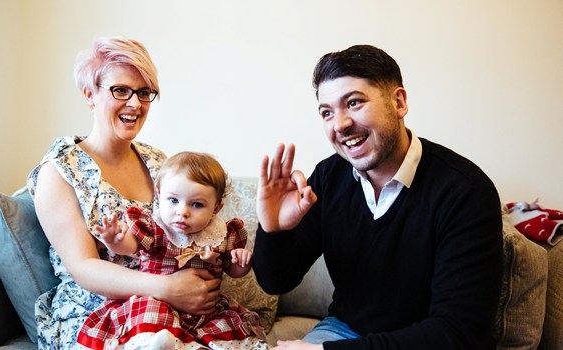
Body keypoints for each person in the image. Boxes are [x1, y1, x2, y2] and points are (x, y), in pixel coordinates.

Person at [252, 45, 503, 349]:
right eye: (327, 113)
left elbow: (457, 333)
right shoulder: (329, 177)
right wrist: (274, 230)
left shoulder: (465, 191)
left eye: (354, 103)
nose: (340, 124)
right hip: (345, 329)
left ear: (398, 102)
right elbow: (277, 281)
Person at [28, 37, 221, 349]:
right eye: (121, 90)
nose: (135, 104)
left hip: (166, 307)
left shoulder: (158, 161)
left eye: (144, 93)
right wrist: (169, 288)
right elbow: (84, 268)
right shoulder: (59, 171)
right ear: (89, 94)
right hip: (97, 311)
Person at [76, 152, 268, 349]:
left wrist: (240, 263)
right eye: (173, 200)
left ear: (217, 207)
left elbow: (232, 270)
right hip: (160, 302)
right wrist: (115, 240)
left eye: (196, 204)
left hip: (205, 312)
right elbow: (130, 246)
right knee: (149, 311)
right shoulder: (156, 228)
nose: (182, 212)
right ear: (159, 195)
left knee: (227, 332)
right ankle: (153, 343)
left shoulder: (223, 235)